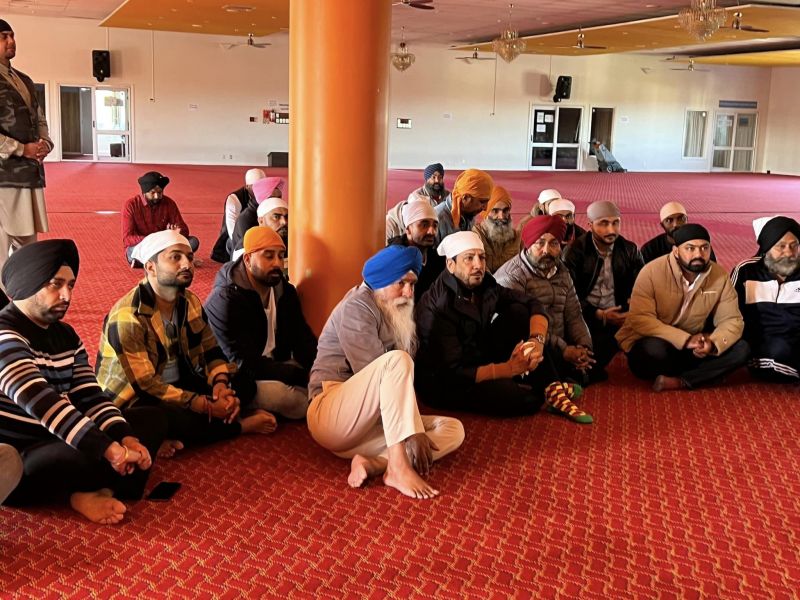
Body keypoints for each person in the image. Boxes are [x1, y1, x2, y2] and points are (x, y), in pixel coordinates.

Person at [0, 239, 164, 523]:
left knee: (150, 419)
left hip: (61, 436)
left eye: (71, 285)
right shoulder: (5, 334)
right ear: (28, 283)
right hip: (21, 454)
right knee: (84, 452)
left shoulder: (66, 335)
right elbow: (42, 403)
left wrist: (126, 438)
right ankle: (84, 490)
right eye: (56, 284)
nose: (66, 295)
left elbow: (90, 396)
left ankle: (97, 489)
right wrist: (110, 449)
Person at [97, 230, 275, 456]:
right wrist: (204, 404)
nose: (186, 264)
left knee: (244, 384)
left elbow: (211, 349)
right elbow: (147, 385)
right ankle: (239, 427)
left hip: (180, 383)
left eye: (189, 257)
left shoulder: (189, 301)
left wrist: (220, 386)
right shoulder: (128, 317)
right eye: (175, 257)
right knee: (162, 418)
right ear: (150, 267)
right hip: (136, 399)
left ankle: (175, 434)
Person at [307, 245, 465, 499]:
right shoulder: (356, 307)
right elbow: (380, 377)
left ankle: (376, 464)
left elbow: (394, 390)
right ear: (381, 281)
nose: (409, 293)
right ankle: (399, 467)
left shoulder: (390, 306)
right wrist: (412, 430)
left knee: (453, 429)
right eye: (401, 283)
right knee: (397, 361)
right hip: (331, 415)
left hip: (365, 428)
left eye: (412, 284)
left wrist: (413, 427)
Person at [415, 231, 592, 423]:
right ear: (451, 265)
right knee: (527, 401)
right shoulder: (439, 306)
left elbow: (531, 303)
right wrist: (508, 369)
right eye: (469, 258)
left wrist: (537, 340)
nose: (478, 265)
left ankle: (552, 386)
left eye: (482, 257)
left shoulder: (484, 284)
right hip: (447, 380)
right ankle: (547, 389)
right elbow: (453, 372)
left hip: (477, 355)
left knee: (519, 312)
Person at [616, 224, 749, 391]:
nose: (698, 254)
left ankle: (682, 381)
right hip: (657, 343)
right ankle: (706, 373)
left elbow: (732, 320)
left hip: (694, 347)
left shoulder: (719, 276)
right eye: (690, 248)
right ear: (676, 251)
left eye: (704, 248)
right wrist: (685, 340)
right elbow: (640, 319)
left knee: (742, 349)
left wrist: (712, 343)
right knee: (654, 350)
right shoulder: (651, 272)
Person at [205, 226, 317, 419]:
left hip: (274, 362)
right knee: (294, 400)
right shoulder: (226, 300)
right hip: (237, 375)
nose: (277, 263)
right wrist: (299, 376)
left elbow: (301, 337)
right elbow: (242, 361)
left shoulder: (285, 291)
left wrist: (317, 369)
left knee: (325, 383)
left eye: (281, 256)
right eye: (269, 256)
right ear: (248, 259)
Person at [495, 216, 595, 384]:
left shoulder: (562, 271)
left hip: (559, 340)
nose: (546, 250)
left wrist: (584, 346)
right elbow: (523, 325)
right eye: (540, 243)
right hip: (531, 342)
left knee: (604, 340)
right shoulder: (513, 276)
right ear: (528, 245)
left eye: (553, 244)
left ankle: (574, 365)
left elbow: (574, 314)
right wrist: (564, 349)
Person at [563, 200, 643, 382]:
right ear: (590, 225)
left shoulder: (629, 250)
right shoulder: (574, 252)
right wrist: (598, 314)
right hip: (586, 316)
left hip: (620, 316)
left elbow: (643, 284)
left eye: (615, 223)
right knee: (590, 350)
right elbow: (568, 295)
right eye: (604, 223)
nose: (611, 230)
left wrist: (632, 306)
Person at [0, 20, 53, 276]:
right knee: (1, 248)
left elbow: (39, 118)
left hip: (29, 175)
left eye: (12, 35)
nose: (11, 41)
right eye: (3, 37)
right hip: (3, 176)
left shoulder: (25, 80)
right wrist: (22, 149)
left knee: (28, 247)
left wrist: (45, 143)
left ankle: (26, 294)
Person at [731, 216, 800, 382]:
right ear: (767, 248)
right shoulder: (746, 271)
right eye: (781, 246)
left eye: (794, 246)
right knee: (780, 350)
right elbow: (729, 313)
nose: (789, 253)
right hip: (765, 344)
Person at [122, 171, 200, 267]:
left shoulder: (169, 203)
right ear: (144, 192)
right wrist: (152, 239)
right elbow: (127, 238)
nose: (157, 196)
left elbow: (184, 229)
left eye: (159, 192)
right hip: (144, 245)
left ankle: (154, 261)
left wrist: (176, 233)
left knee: (193, 242)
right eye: (152, 193)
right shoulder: (131, 205)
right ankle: (173, 259)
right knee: (131, 251)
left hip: (164, 244)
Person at [387, 200, 445, 301]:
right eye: (424, 225)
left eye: (435, 226)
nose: (432, 231)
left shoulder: (436, 259)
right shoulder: (393, 259)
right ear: (408, 229)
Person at [211, 168, 265, 263]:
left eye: (262, 186)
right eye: (256, 186)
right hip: (238, 238)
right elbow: (232, 229)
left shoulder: (267, 194)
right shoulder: (234, 199)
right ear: (247, 187)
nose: (260, 189)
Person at [640, 201, 717, 264]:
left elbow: (712, 271)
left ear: (687, 220)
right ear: (662, 225)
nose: (676, 224)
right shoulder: (650, 249)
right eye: (669, 220)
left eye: (681, 218)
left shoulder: (700, 244)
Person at [434, 168, 493, 245]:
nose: (485, 208)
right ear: (465, 197)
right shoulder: (436, 218)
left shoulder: (468, 214)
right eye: (482, 202)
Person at [230, 176, 283, 259]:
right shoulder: (246, 219)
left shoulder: (277, 213)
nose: (277, 201)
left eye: (279, 198)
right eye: (272, 198)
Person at [472, 185, 521, 273]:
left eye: (505, 211)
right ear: (486, 213)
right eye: (495, 211)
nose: (501, 217)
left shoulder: (517, 237)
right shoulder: (475, 235)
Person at [232, 195, 289, 264]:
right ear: (261, 221)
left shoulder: (293, 241)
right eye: (276, 217)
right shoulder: (247, 246)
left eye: (287, 217)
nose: (284, 222)